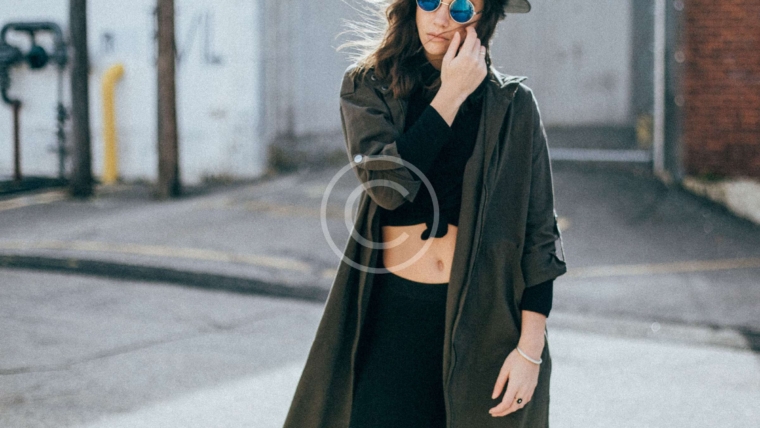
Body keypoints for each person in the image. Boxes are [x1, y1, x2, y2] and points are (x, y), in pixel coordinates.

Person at [282, 1, 567, 427]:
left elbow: (540, 232)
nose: (440, 17)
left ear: (485, 17)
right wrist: (451, 94)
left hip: (485, 321)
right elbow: (387, 189)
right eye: (430, 0)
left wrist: (530, 351)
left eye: (461, 7)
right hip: (393, 315)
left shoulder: (513, 105)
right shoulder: (369, 86)